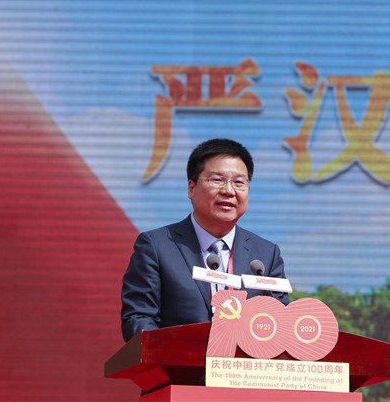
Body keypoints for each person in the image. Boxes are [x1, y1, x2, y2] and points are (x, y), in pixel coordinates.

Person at [121, 138, 289, 342]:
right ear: (191, 188)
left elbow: (279, 323)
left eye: (238, 183)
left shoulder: (266, 255)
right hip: (179, 361)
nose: (229, 191)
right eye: (217, 180)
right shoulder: (156, 246)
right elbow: (138, 318)